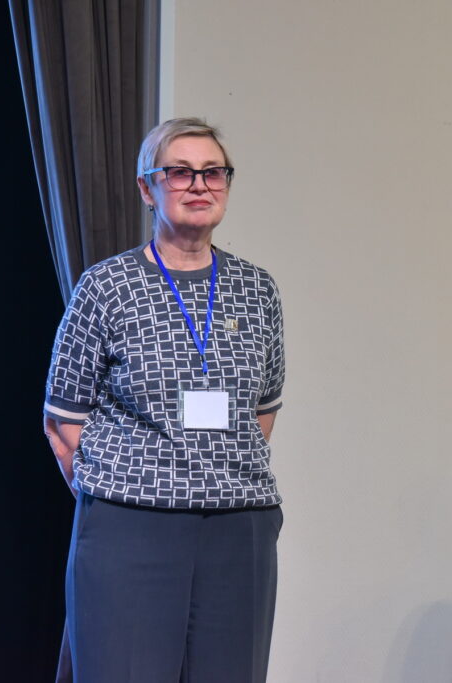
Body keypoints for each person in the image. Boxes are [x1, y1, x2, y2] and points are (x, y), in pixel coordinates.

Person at [42, 117, 285, 682]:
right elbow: (63, 421)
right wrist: (128, 485)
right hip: (131, 526)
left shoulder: (257, 289)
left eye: (213, 172)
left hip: (238, 526)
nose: (199, 185)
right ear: (148, 188)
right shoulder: (106, 287)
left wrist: (213, 473)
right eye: (180, 172)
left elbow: (262, 412)